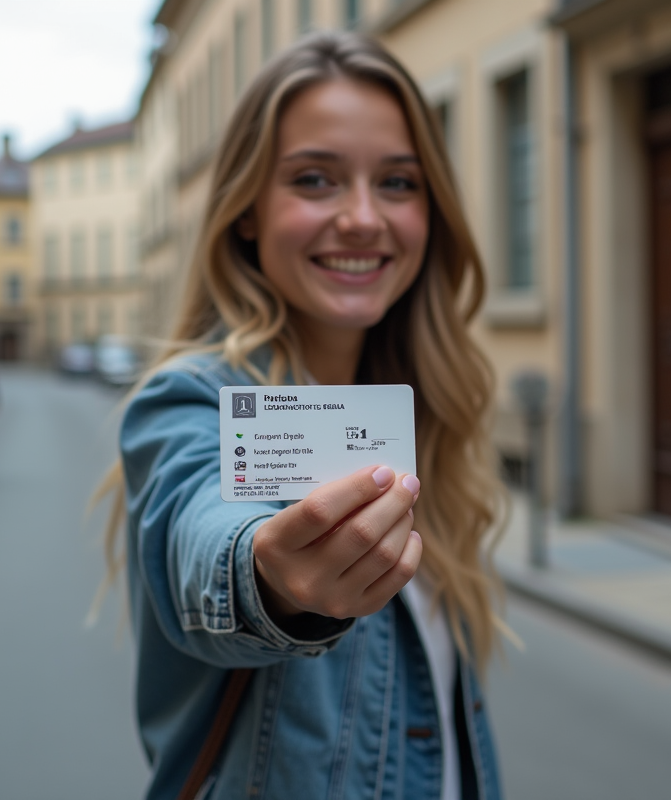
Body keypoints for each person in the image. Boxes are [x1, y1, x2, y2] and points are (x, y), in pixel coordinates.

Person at [96, 31, 506, 800]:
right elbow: (200, 524)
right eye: (315, 179)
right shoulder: (190, 398)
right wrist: (267, 574)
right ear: (247, 210)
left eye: (397, 182)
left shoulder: (425, 415)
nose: (362, 217)